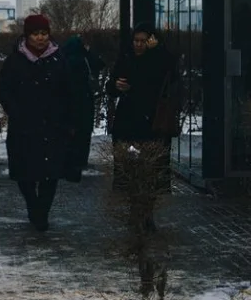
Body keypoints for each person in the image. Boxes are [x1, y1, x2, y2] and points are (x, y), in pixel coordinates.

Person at [0, 14, 74, 231]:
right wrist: (15, 111)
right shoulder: (15, 60)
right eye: (35, 34)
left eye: (44, 33)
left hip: (53, 126)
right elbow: (4, 89)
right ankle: (33, 205)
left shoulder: (59, 59)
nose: (40, 38)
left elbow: (69, 92)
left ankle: (42, 213)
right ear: (27, 36)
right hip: (24, 126)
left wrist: (68, 120)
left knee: (51, 174)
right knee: (25, 173)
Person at [106, 24, 181, 209]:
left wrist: (158, 51)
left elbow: (170, 74)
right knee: (130, 169)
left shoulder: (157, 59)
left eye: (143, 41)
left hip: (151, 120)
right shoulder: (126, 59)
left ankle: (146, 211)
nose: (138, 45)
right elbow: (111, 86)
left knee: (150, 170)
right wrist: (117, 85)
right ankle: (135, 210)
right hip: (128, 120)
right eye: (136, 41)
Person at [60, 35, 104, 182]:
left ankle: (67, 166)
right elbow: (99, 64)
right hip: (84, 103)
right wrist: (88, 52)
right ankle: (77, 166)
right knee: (82, 136)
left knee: (69, 136)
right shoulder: (83, 60)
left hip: (68, 103)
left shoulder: (64, 60)